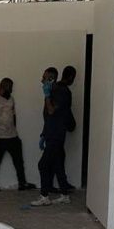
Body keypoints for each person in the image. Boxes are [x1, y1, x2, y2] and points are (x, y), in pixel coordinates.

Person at [32, 65, 76, 205]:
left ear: (51, 79)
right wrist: (44, 134)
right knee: (58, 164)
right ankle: (64, 195)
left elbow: (51, 111)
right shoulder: (54, 91)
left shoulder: (61, 92)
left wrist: (46, 95)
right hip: (52, 133)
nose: (41, 80)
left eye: (44, 78)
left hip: (56, 135)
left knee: (43, 165)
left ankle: (44, 197)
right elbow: (48, 117)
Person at [0, 77, 35, 192]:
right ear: (3, 86)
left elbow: (13, 115)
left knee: (19, 161)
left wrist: (14, 129)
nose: (11, 90)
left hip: (12, 136)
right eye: (10, 87)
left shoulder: (11, 99)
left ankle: (22, 183)